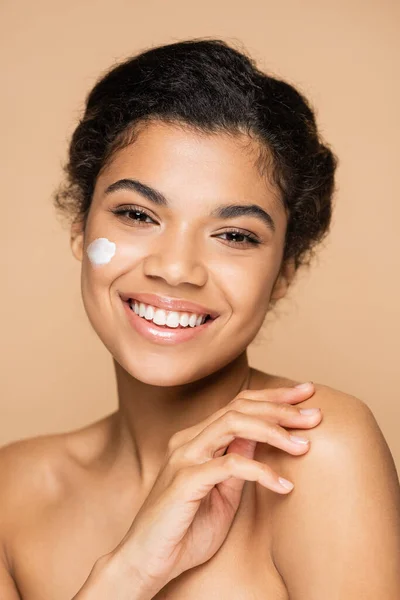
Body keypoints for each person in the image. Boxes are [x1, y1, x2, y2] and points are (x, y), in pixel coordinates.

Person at [0, 38, 399, 600]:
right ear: (80, 228)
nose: (176, 269)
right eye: (137, 214)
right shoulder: (9, 495)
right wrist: (128, 574)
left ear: (284, 271)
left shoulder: (318, 452)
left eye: (234, 235)